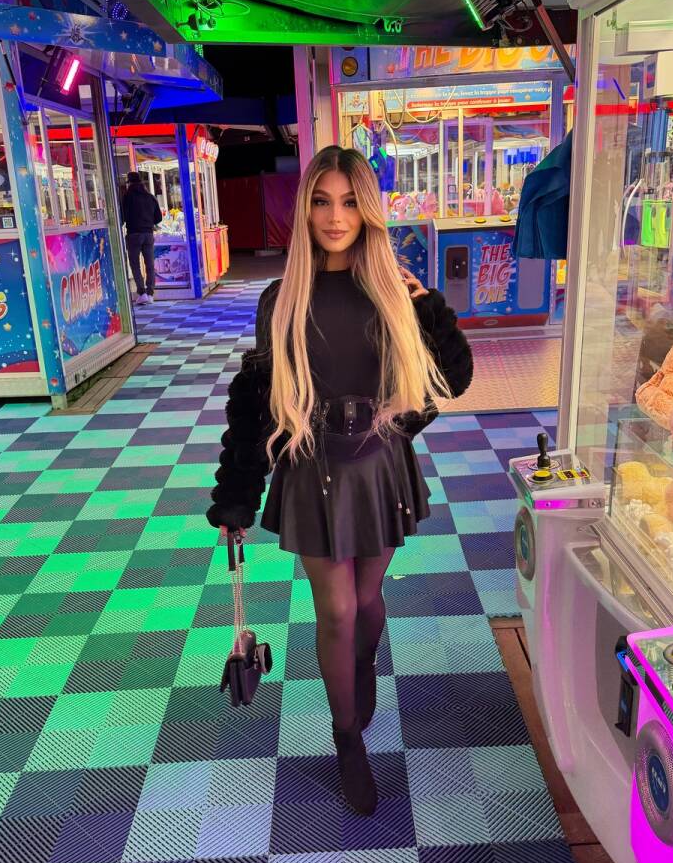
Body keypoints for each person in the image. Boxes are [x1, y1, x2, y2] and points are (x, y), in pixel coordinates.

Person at [206, 145, 474, 816]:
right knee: (338, 610)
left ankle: (361, 666)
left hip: (377, 464)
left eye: (350, 202)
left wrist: (431, 310)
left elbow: (452, 380)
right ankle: (347, 736)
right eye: (322, 202)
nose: (335, 217)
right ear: (305, 211)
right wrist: (237, 495)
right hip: (311, 466)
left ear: (368, 211)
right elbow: (255, 404)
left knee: (369, 599)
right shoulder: (281, 299)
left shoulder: (393, 292)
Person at [121, 171, 162, 305]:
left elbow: (122, 216)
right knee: (150, 264)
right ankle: (150, 294)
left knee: (135, 264)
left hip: (133, 234)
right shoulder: (150, 197)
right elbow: (158, 218)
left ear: (129, 183)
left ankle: (142, 292)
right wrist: (148, 221)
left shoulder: (127, 197)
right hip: (148, 234)